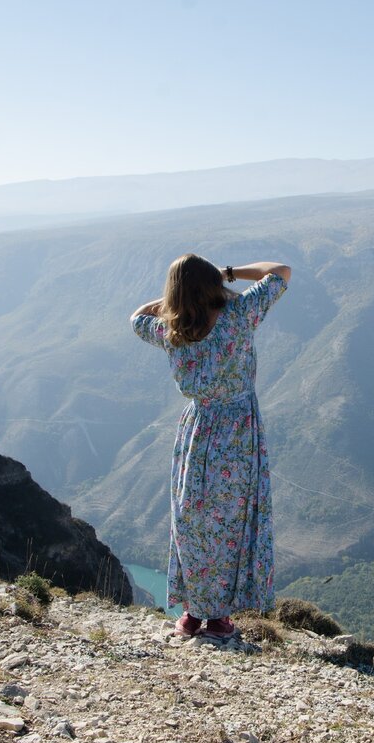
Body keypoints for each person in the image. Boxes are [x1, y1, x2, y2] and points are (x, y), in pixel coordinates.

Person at [131, 254, 291, 638]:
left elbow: (137, 317)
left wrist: (176, 300)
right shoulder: (239, 316)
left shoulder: (171, 330)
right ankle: (219, 617)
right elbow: (281, 272)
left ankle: (192, 612)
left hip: (198, 431)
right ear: (213, 286)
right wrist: (229, 274)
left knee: (193, 520)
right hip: (239, 431)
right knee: (233, 522)